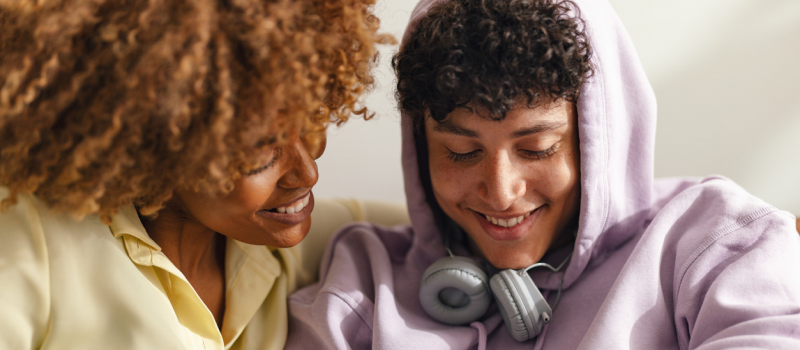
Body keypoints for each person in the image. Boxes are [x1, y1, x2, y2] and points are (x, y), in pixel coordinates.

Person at [285, 0, 800, 348]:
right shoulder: (362, 281)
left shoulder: (717, 247)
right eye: (461, 152)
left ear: (600, 137)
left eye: (537, 148)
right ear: (420, 147)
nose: (502, 192)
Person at [0, 0, 387, 349]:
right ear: (158, 144)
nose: (308, 173)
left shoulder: (301, 241)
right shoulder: (29, 241)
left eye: (310, 123)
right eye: (260, 152)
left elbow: (435, 222)